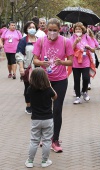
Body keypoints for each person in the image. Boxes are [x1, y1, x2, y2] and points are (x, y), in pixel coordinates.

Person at [33, 18, 74, 152]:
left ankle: (54, 140)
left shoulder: (65, 41)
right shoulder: (41, 40)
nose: (52, 32)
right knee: (43, 110)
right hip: (43, 80)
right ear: (46, 30)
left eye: (54, 30)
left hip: (60, 80)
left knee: (56, 110)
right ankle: (43, 137)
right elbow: (35, 59)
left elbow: (71, 62)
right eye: (49, 30)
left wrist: (61, 62)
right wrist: (41, 63)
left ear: (60, 29)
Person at [25, 68, 57, 168]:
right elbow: (55, 97)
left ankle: (30, 161)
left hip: (35, 119)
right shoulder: (48, 89)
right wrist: (50, 86)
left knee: (34, 141)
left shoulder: (30, 89)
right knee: (47, 140)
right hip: (47, 118)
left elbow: (28, 101)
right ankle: (44, 161)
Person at [69, 22, 96, 104]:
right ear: (74, 30)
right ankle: (77, 97)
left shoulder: (87, 37)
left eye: (79, 29)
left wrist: (89, 47)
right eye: (76, 29)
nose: (78, 31)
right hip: (75, 62)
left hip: (85, 61)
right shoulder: (72, 37)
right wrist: (75, 42)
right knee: (76, 80)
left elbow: (93, 49)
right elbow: (70, 50)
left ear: (82, 30)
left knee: (86, 78)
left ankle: (84, 91)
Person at [15, 21, 38, 114]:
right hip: (27, 68)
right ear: (26, 29)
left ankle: (36, 105)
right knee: (28, 88)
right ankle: (28, 106)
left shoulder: (40, 40)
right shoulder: (23, 41)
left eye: (33, 27)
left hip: (38, 68)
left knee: (39, 87)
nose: (32, 29)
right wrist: (21, 68)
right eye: (30, 27)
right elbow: (19, 55)